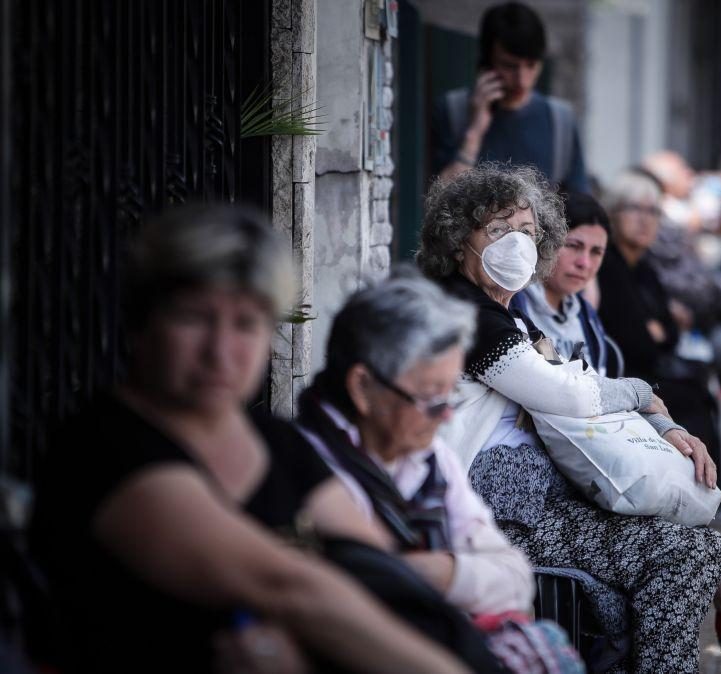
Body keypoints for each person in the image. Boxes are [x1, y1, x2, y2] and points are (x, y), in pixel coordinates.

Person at [28, 204, 479, 674]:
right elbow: (285, 586)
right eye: (193, 318)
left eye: (246, 324)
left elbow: (381, 574)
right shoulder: (105, 447)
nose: (219, 353)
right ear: (142, 323)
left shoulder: (277, 441)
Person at [417, 163, 721, 673]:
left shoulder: (508, 316)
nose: (515, 243)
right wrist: (644, 395)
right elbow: (565, 392)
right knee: (686, 552)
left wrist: (663, 424)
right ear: (458, 241)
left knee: (694, 544)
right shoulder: (467, 314)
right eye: (497, 230)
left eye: (526, 232)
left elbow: (576, 379)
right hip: (501, 512)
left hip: (544, 501)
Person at [515, 192, 721, 651]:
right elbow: (576, 393)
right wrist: (648, 405)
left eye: (596, 253)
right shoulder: (522, 313)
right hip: (557, 466)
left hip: (593, 447)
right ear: (546, 246)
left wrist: (666, 427)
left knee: (680, 467)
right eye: (573, 247)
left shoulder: (580, 310)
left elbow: (615, 381)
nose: (584, 263)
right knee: (685, 531)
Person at [295, 270, 583, 671]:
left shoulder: (430, 460)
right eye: (431, 398)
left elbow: (515, 582)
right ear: (363, 388)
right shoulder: (303, 464)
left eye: (450, 395)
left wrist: (437, 571)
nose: (446, 415)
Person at [604, 164, 721, 496]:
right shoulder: (615, 262)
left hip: (692, 336)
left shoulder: (646, 261)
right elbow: (644, 334)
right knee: (707, 385)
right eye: (634, 209)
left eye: (652, 211)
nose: (645, 219)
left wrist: (662, 326)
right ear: (614, 213)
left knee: (704, 383)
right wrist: (665, 325)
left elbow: (665, 326)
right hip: (640, 370)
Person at [431, 2, 589, 194]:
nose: (522, 80)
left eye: (531, 66)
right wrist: (473, 134)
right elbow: (439, 200)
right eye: (509, 66)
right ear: (487, 63)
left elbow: (581, 208)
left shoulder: (560, 121)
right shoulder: (453, 111)